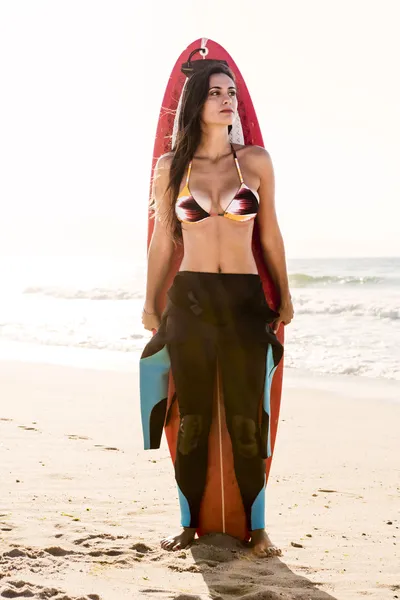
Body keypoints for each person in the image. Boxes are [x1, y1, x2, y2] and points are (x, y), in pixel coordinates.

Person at [141, 62, 294, 558]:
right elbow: (165, 243)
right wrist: (150, 302)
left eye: (231, 92)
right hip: (190, 302)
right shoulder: (172, 167)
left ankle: (259, 527)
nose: (228, 100)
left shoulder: (256, 162)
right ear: (195, 105)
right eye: (215, 93)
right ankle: (188, 524)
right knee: (194, 418)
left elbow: (268, 233)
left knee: (249, 418)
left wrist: (285, 295)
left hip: (246, 302)